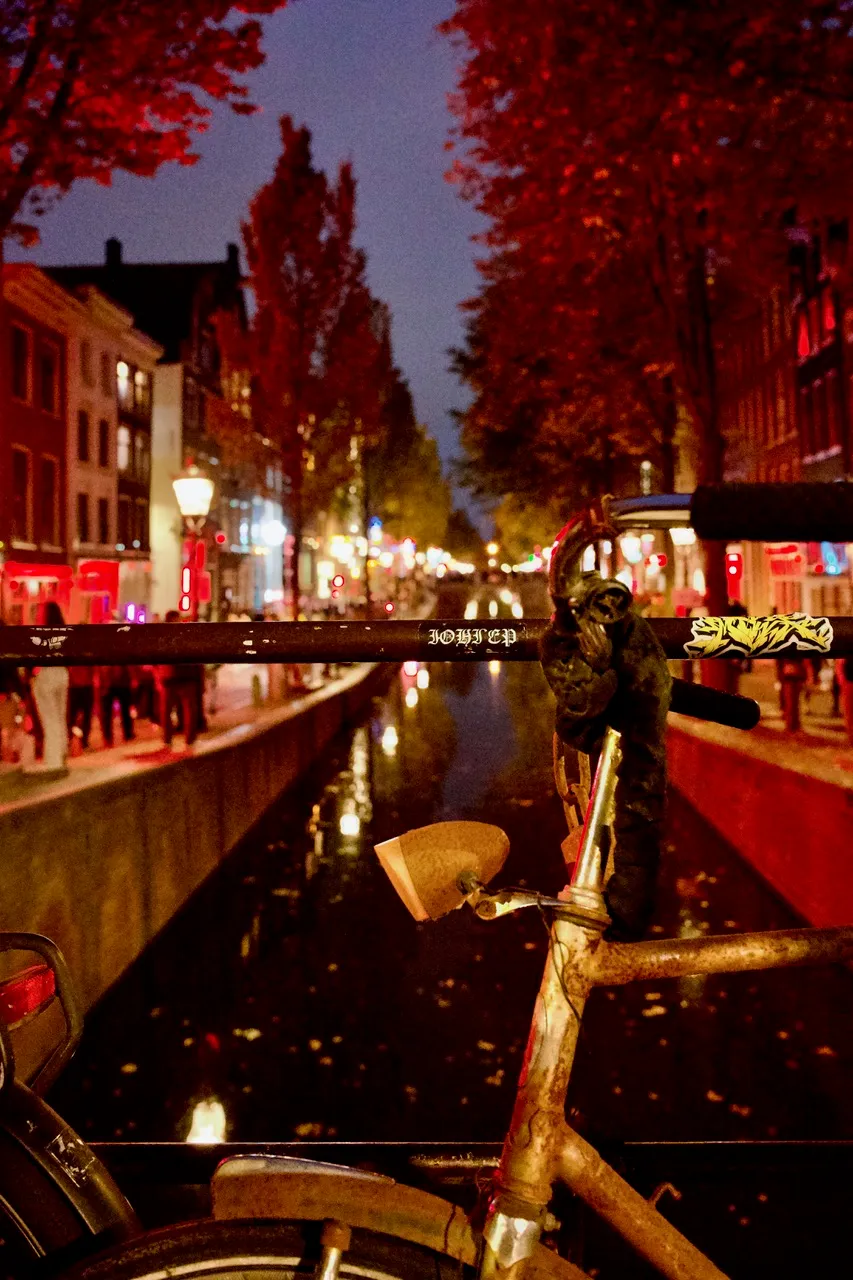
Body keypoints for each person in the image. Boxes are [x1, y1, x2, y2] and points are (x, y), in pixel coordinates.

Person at [24, 601, 69, 775]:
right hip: (62, 674)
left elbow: (33, 656)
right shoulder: (63, 632)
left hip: (46, 675)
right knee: (59, 717)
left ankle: (53, 761)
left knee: (49, 720)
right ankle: (61, 755)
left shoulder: (40, 634)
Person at [158, 611, 201, 748]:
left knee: (169, 710)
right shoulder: (185, 634)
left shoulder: (163, 636)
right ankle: (186, 738)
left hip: (172, 676)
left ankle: (169, 739)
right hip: (180, 676)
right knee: (186, 709)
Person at [67, 662, 96, 750]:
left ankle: (84, 742)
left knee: (86, 716)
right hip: (74, 686)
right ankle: (70, 742)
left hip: (85, 685)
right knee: (71, 717)